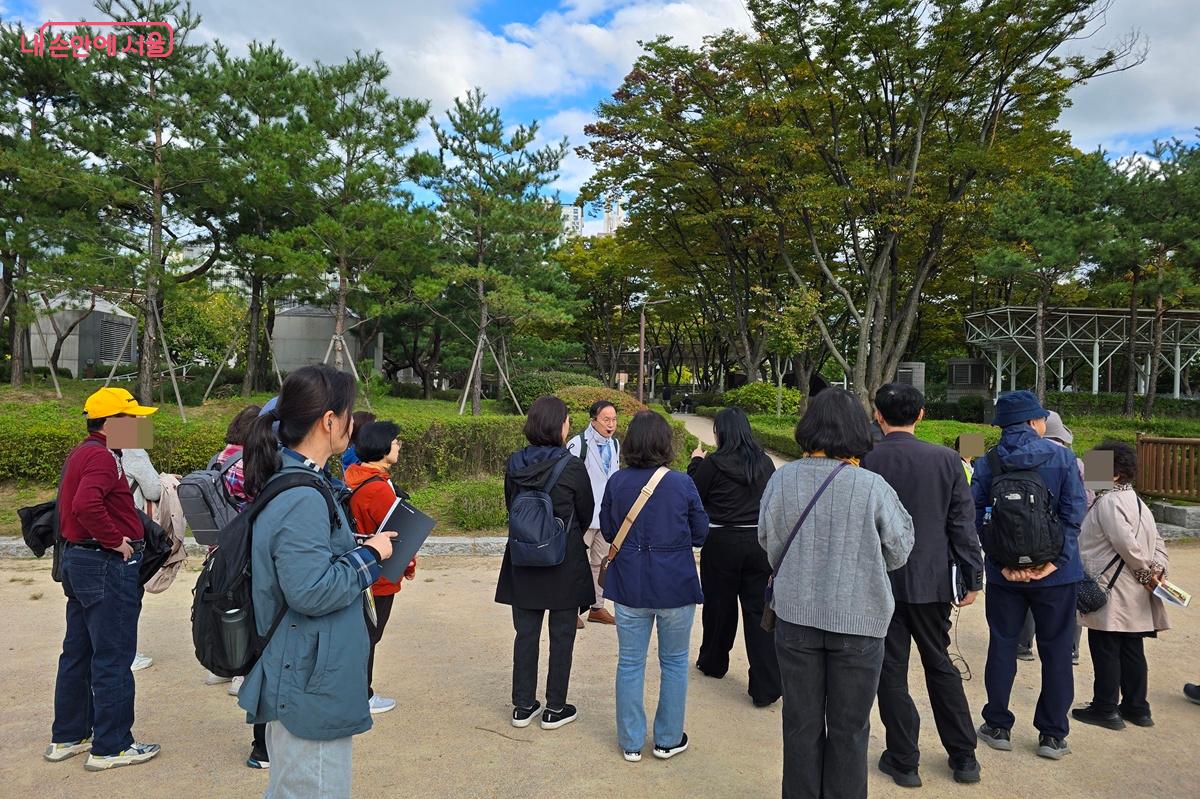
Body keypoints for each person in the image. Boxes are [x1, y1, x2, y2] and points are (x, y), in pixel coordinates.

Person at [237, 365, 397, 799]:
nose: (351, 423)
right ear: (329, 420)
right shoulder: (303, 493)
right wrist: (370, 556)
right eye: (348, 413)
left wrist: (355, 546)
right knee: (314, 787)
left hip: (304, 667)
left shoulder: (295, 478)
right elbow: (310, 590)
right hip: (309, 678)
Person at [758, 388, 914, 799]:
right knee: (850, 730)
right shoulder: (872, 486)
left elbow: (768, 542)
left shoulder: (782, 478)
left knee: (800, 725)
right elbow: (898, 552)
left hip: (795, 617)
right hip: (859, 623)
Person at [863, 384, 984, 786]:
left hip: (880, 580)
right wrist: (972, 576)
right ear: (922, 415)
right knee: (939, 662)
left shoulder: (865, 459)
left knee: (890, 670)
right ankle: (963, 756)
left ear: (878, 415)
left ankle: (904, 759)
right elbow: (962, 524)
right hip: (933, 581)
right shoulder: (948, 459)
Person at [46, 387, 162, 771]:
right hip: (103, 562)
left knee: (78, 651)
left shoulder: (86, 451)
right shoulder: (102, 457)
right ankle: (111, 745)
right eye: (132, 419)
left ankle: (69, 735)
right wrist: (116, 541)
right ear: (112, 423)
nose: (139, 425)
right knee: (113, 656)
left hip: (81, 561)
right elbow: (85, 503)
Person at [971, 390, 1087, 762]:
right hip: (1057, 575)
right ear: (1036, 422)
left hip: (1005, 575)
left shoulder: (987, 461)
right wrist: (1055, 562)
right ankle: (1052, 735)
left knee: (1003, 644)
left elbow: (975, 517)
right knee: (1056, 650)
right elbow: (1074, 515)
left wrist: (1001, 562)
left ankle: (998, 725)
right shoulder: (1064, 457)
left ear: (1001, 425)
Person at [601, 411, 709, 762]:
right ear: (666, 443)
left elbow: (607, 529)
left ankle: (631, 741)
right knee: (675, 662)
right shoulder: (681, 483)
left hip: (630, 583)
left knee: (630, 663)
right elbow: (700, 533)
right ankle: (667, 739)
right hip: (675, 584)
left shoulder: (617, 482)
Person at [496, 396, 595, 731]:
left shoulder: (515, 463)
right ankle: (555, 708)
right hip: (563, 557)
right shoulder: (572, 465)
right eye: (567, 420)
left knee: (525, 633)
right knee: (562, 634)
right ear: (559, 425)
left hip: (523, 556)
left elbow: (512, 506)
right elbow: (586, 512)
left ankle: (523, 706)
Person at [688, 408, 780, 707]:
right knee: (759, 615)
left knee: (719, 607)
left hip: (722, 541)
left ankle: (714, 662)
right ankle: (766, 685)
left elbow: (695, 496)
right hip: (758, 544)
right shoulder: (764, 462)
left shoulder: (713, 464)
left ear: (722, 432)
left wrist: (695, 463)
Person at [1074, 440, 1169, 730]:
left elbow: (1124, 543)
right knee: (1132, 650)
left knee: (1106, 648)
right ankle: (1137, 707)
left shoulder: (1109, 502)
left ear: (1114, 474)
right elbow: (1158, 542)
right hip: (1135, 591)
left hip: (1112, 588)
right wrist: (1156, 571)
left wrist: (1143, 571)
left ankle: (1105, 708)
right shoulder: (1137, 501)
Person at [200, 405, 273, 770]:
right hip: (246, 555)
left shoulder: (219, 458)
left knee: (226, 614)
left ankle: (222, 667)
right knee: (253, 628)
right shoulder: (246, 464)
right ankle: (240, 677)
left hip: (220, 552)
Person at [346, 420, 418, 715]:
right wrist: (408, 563)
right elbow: (395, 533)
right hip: (378, 574)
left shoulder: (354, 477)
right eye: (395, 441)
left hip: (360, 567)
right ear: (381, 446)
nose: (398, 445)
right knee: (369, 636)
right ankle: (361, 695)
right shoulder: (378, 489)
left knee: (362, 633)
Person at [1016, 411, 1090, 664]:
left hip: (1029, 539)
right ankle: (1071, 649)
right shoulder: (1076, 461)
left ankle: (1023, 644)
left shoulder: (1020, 457)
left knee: (1027, 592)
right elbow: (1092, 499)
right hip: (1068, 540)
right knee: (1068, 599)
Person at [565, 400, 621, 626]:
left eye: (614, 419)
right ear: (593, 420)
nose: (611, 424)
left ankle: (597, 608)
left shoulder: (615, 445)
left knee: (601, 563)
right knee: (575, 563)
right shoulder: (578, 444)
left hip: (605, 516)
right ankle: (570, 610)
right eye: (606, 419)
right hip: (582, 516)